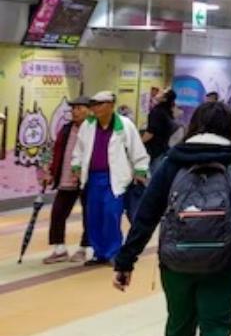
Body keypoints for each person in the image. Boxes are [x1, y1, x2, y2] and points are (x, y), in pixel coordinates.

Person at [112, 102, 231, 336]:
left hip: (176, 260)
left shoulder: (172, 162)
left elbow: (146, 215)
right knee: (216, 327)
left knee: (179, 325)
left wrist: (125, 261)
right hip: (225, 259)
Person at [69, 91, 150, 265]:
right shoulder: (88, 125)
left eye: (100, 104)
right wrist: (76, 167)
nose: (96, 108)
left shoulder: (124, 125)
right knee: (93, 216)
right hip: (92, 178)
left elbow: (137, 150)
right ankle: (99, 253)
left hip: (115, 179)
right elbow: (79, 150)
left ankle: (113, 252)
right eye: (94, 105)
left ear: (111, 106)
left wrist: (140, 170)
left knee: (111, 215)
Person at [40, 97, 93, 264]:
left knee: (89, 214)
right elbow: (54, 150)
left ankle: (84, 248)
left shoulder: (95, 129)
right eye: (73, 108)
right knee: (58, 212)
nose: (74, 112)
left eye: (79, 108)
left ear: (90, 110)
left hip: (88, 179)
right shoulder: (66, 129)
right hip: (66, 178)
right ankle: (59, 249)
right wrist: (48, 171)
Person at [142, 89, 178, 174]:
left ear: (164, 99)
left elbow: (150, 133)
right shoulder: (168, 112)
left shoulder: (156, 112)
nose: (159, 91)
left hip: (154, 150)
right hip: (164, 148)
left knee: (152, 174)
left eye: (162, 92)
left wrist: (139, 143)